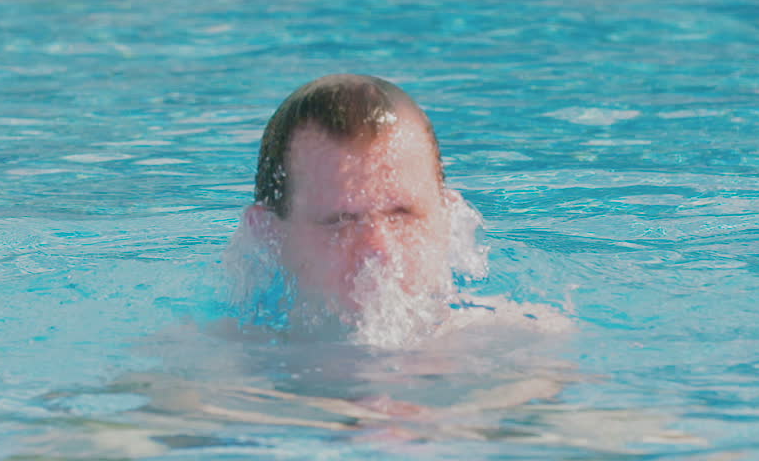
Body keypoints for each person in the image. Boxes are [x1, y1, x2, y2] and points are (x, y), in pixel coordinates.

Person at [235, 73, 569, 342]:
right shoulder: (216, 374)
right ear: (268, 233)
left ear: (449, 218)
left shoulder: (527, 348)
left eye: (402, 215)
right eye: (339, 221)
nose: (379, 250)